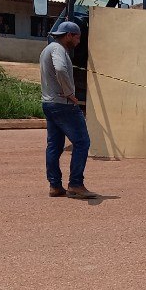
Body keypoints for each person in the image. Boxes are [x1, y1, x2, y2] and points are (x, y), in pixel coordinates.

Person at [39, 21, 96, 199]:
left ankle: (55, 185)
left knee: (54, 146)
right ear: (69, 35)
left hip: (49, 103)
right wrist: (70, 92)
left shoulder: (48, 49)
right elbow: (60, 69)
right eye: (77, 37)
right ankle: (76, 184)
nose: (78, 42)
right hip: (63, 105)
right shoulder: (58, 49)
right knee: (82, 142)